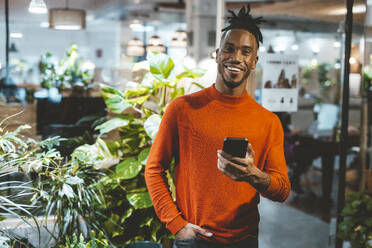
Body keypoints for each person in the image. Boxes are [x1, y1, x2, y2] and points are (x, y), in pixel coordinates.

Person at [145, 5, 290, 248]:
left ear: (254, 61)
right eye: (229, 49)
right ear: (217, 54)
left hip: (244, 241)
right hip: (194, 238)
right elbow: (154, 169)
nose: (236, 58)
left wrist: (253, 175)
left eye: (245, 52)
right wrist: (175, 224)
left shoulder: (268, 122)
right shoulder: (182, 109)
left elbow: (282, 190)